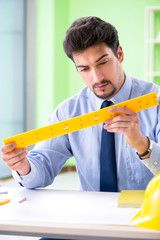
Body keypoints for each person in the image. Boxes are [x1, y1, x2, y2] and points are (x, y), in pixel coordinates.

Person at [1, 14, 160, 207]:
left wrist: (143, 146)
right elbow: (41, 169)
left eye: (103, 63)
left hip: (146, 218)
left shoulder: (156, 102)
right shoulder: (68, 112)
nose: (97, 78)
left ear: (119, 54)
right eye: (84, 69)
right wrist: (23, 167)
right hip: (88, 221)